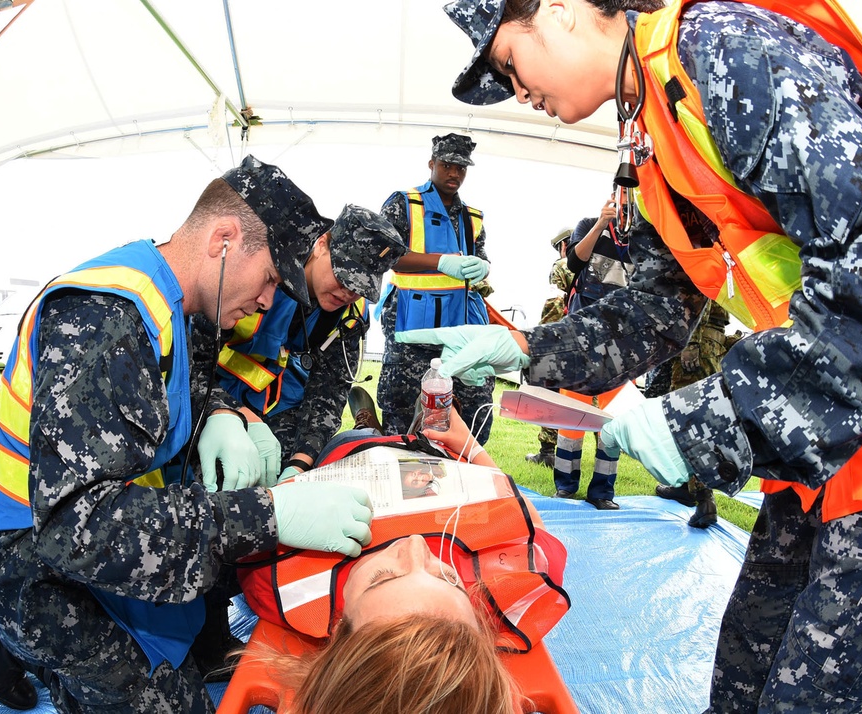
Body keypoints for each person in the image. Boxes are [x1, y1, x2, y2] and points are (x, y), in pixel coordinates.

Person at [414, 1, 862, 711]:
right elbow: (655, 312)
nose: (518, 93)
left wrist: (715, 422)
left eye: (510, 65)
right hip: (827, 448)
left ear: (560, 11)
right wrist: (525, 347)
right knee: (738, 690)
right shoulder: (652, 135)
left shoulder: (720, 48)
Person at [0, 155, 375, 713]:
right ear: (223, 240)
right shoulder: (107, 317)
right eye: (272, 279)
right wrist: (271, 514)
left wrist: (226, 417)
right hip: (34, 558)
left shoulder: (182, 306)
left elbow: (181, 396)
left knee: (255, 562)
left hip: (103, 530)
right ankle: (10, 628)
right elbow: (75, 531)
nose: (268, 302)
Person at [237, 396, 570, 714]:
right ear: (481, 628)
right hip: (431, 458)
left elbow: (255, 519)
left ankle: (367, 425)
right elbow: (529, 524)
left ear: (339, 629)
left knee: (360, 434)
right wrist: (469, 444)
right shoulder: (496, 595)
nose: (414, 545)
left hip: (350, 454)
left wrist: (288, 484)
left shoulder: (278, 583)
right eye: (449, 578)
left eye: (383, 577)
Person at [191, 203, 406, 486]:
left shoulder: (351, 316)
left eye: (361, 287)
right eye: (344, 277)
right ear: (320, 245)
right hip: (212, 397)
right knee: (221, 483)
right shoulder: (254, 272)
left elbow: (328, 393)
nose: (348, 293)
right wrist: (233, 414)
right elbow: (188, 363)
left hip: (284, 407)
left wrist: (299, 467)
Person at [376, 133, 495, 445]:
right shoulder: (404, 203)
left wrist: (482, 266)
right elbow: (384, 254)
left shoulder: (473, 217)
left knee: (476, 401)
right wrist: (440, 261)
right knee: (401, 403)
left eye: (461, 168)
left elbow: (478, 258)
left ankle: (465, 462)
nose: (454, 173)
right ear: (432, 164)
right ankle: (398, 460)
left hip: (461, 322)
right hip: (411, 320)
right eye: (447, 166)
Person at [552, 196, 635, 510]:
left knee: (612, 423)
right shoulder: (589, 226)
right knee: (570, 417)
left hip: (621, 345)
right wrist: (602, 223)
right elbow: (574, 262)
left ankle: (602, 492)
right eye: (625, 201)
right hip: (580, 339)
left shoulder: (643, 241)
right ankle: (565, 487)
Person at [654, 300, 735, 528]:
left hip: (697, 342)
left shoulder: (703, 263)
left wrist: (692, 343)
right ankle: (687, 488)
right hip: (711, 342)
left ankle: (703, 498)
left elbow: (702, 297)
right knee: (699, 421)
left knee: (688, 423)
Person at [525, 227, 575, 468]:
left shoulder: (561, 265)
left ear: (564, 245)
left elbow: (554, 303)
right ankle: (602, 456)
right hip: (591, 341)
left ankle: (547, 452)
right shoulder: (598, 264)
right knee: (590, 398)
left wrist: (541, 340)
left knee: (552, 394)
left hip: (562, 340)